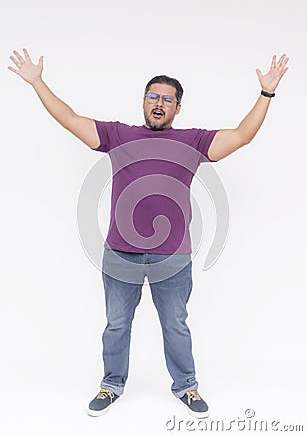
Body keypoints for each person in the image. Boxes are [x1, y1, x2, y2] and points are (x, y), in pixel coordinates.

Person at [8, 49, 289, 419]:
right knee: (117, 323)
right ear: (143, 102)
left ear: (178, 108)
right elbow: (71, 119)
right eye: (153, 97)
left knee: (175, 323)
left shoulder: (193, 141)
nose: (159, 103)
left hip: (172, 256)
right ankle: (111, 384)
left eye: (167, 99)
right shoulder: (117, 134)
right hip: (119, 253)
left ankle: (186, 387)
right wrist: (37, 82)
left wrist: (266, 93)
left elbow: (241, 136)